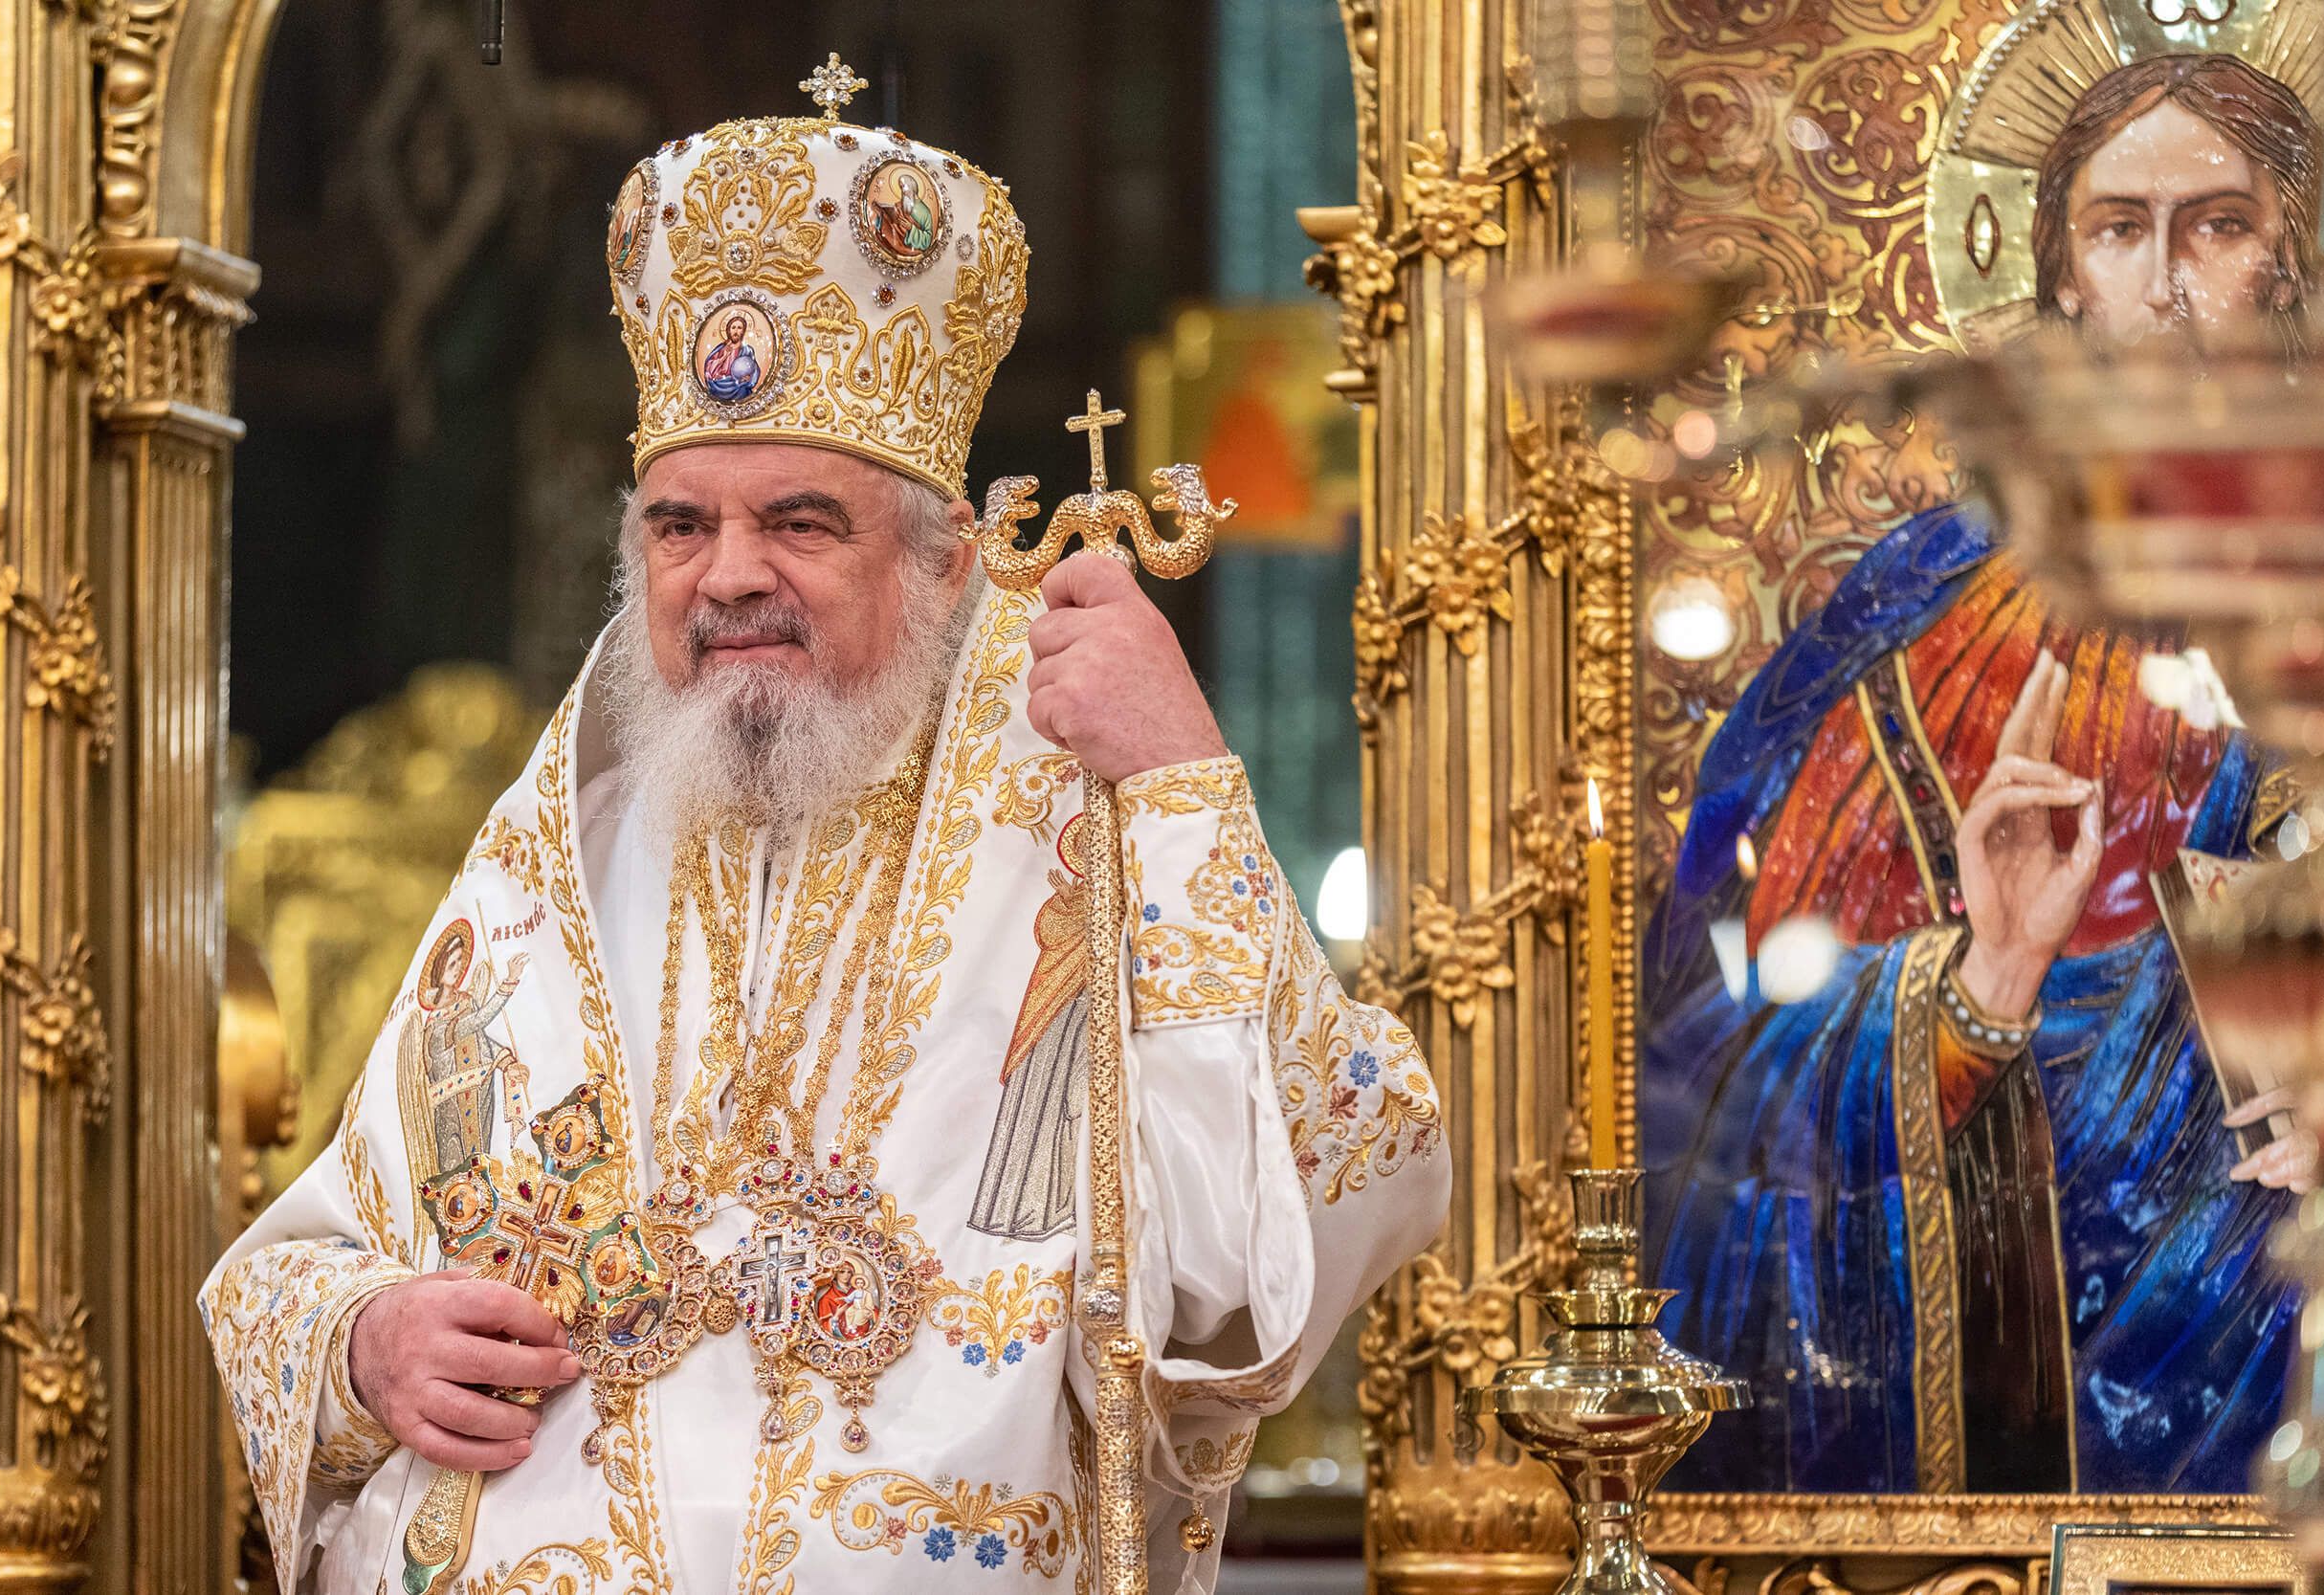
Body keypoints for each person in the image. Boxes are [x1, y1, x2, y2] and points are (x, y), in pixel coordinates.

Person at [201, 95, 1445, 1595]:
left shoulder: (1084, 825)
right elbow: (296, 1265)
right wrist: (364, 1345)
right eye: (680, 527)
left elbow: (1318, 1203)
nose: (729, 575)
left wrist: (1182, 782)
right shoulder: (558, 851)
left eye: (799, 523)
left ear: (942, 561)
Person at [1646, 52, 2316, 1495]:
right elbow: (1720, 1065)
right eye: (2121, 229)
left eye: (2219, 224)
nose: (2169, 282)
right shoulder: (1918, 619)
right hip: (1987, 1377)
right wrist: (1980, 989)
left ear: (2287, 262)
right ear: (2062, 272)